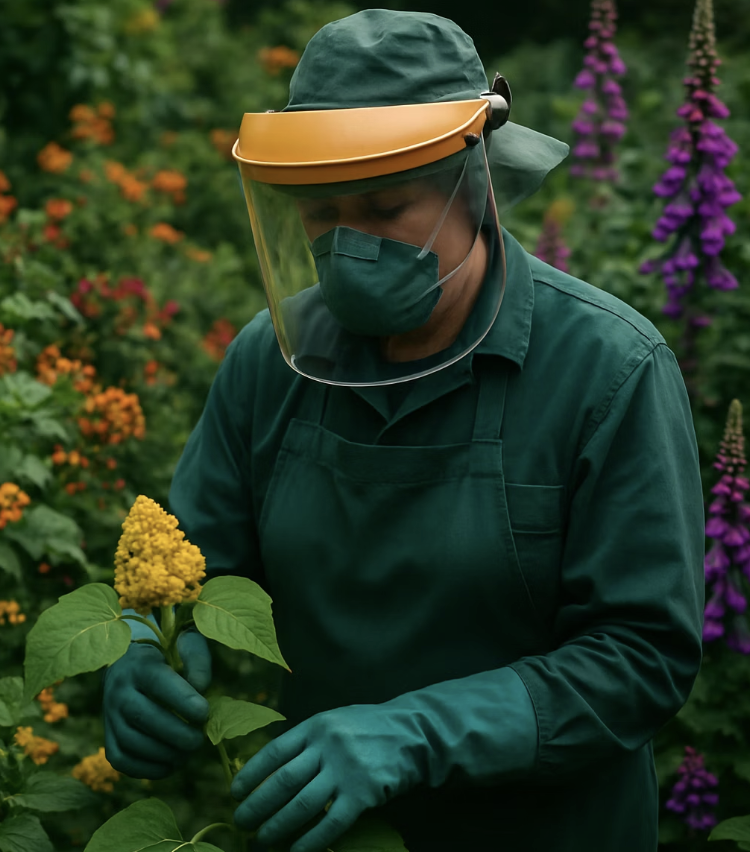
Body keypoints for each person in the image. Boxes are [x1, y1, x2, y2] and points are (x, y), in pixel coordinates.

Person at [102, 10, 705, 852]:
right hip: (331, 831)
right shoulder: (270, 361)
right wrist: (141, 652)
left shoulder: (608, 370)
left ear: (478, 183)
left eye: (386, 206)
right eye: (322, 212)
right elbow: (191, 566)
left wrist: (416, 733)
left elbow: (641, 658)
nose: (350, 244)